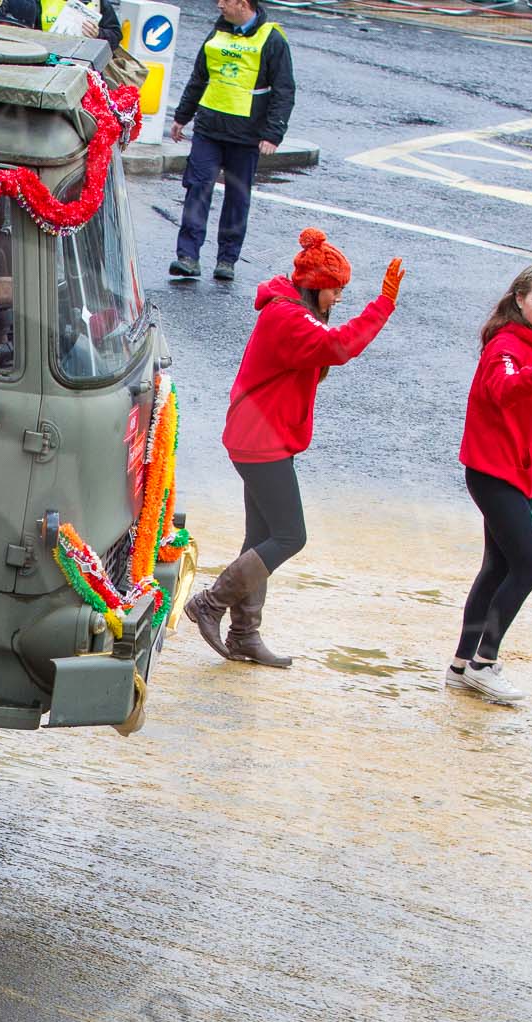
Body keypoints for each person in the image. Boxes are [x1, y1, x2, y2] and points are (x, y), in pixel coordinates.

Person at [181, 229, 403, 667]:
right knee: (289, 536)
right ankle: (210, 603)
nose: (339, 298)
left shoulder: (292, 310)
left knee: (261, 539)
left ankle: (244, 635)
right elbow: (338, 346)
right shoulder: (288, 317)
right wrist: (383, 305)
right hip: (259, 439)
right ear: (315, 286)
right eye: (335, 289)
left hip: (262, 436)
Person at [446, 265, 532, 705]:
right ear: (519, 299)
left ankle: (461, 666)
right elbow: (503, 390)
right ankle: (483, 664)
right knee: (528, 569)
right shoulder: (506, 346)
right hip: (495, 473)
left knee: (497, 569)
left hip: (520, 475)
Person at [167, 0, 296, 283]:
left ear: (243, 3)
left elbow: (284, 90)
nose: (219, 5)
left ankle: (227, 259)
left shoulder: (272, 39)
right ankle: (187, 257)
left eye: (226, 0)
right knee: (197, 188)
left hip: (246, 136)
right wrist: (182, 117)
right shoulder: (217, 33)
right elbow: (199, 78)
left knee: (237, 198)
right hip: (209, 130)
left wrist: (273, 134)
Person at [0, 0, 124, 43]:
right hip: (40, 56)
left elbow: (116, 35)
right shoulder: (29, 2)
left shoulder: (98, 2)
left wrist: (98, 34)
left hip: (81, 63)